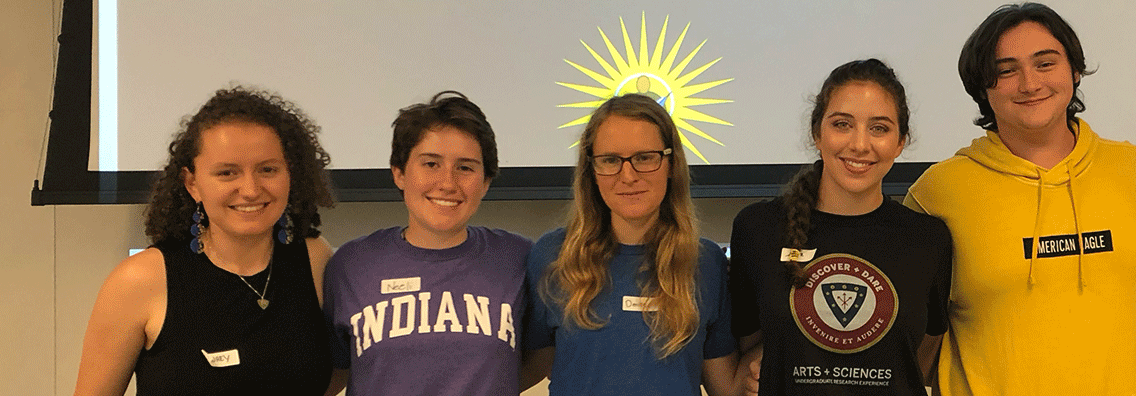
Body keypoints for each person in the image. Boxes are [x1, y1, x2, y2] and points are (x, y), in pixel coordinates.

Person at [904, 2, 1136, 396]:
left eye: (1045, 63)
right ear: (982, 88)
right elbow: (911, 341)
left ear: (1074, 71)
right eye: (1006, 70)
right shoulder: (938, 191)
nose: (1029, 83)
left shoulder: (1135, 171)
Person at [73, 87, 337, 396]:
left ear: (291, 174)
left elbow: (335, 375)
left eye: (268, 169)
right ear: (193, 184)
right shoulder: (140, 279)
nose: (251, 189)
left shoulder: (315, 258)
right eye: (227, 173)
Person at [730, 59, 954, 396]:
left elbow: (918, 358)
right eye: (842, 124)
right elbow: (750, 345)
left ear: (900, 142)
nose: (860, 144)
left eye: (879, 128)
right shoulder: (757, 228)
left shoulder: (928, 239)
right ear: (817, 133)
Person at [324, 91, 539, 396]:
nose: (448, 183)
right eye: (430, 164)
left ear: (486, 181)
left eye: (465, 167)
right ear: (399, 173)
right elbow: (335, 369)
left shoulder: (520, 259)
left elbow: (541, 357)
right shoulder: (351, 264)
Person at [526, 93, 742, 396]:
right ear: (592, 170)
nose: (628, 175)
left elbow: (726, 385)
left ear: (670, 163)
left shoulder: (706, 261)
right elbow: (525, 366)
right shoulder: (552, 255)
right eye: (611, 160)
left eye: (644, 158)